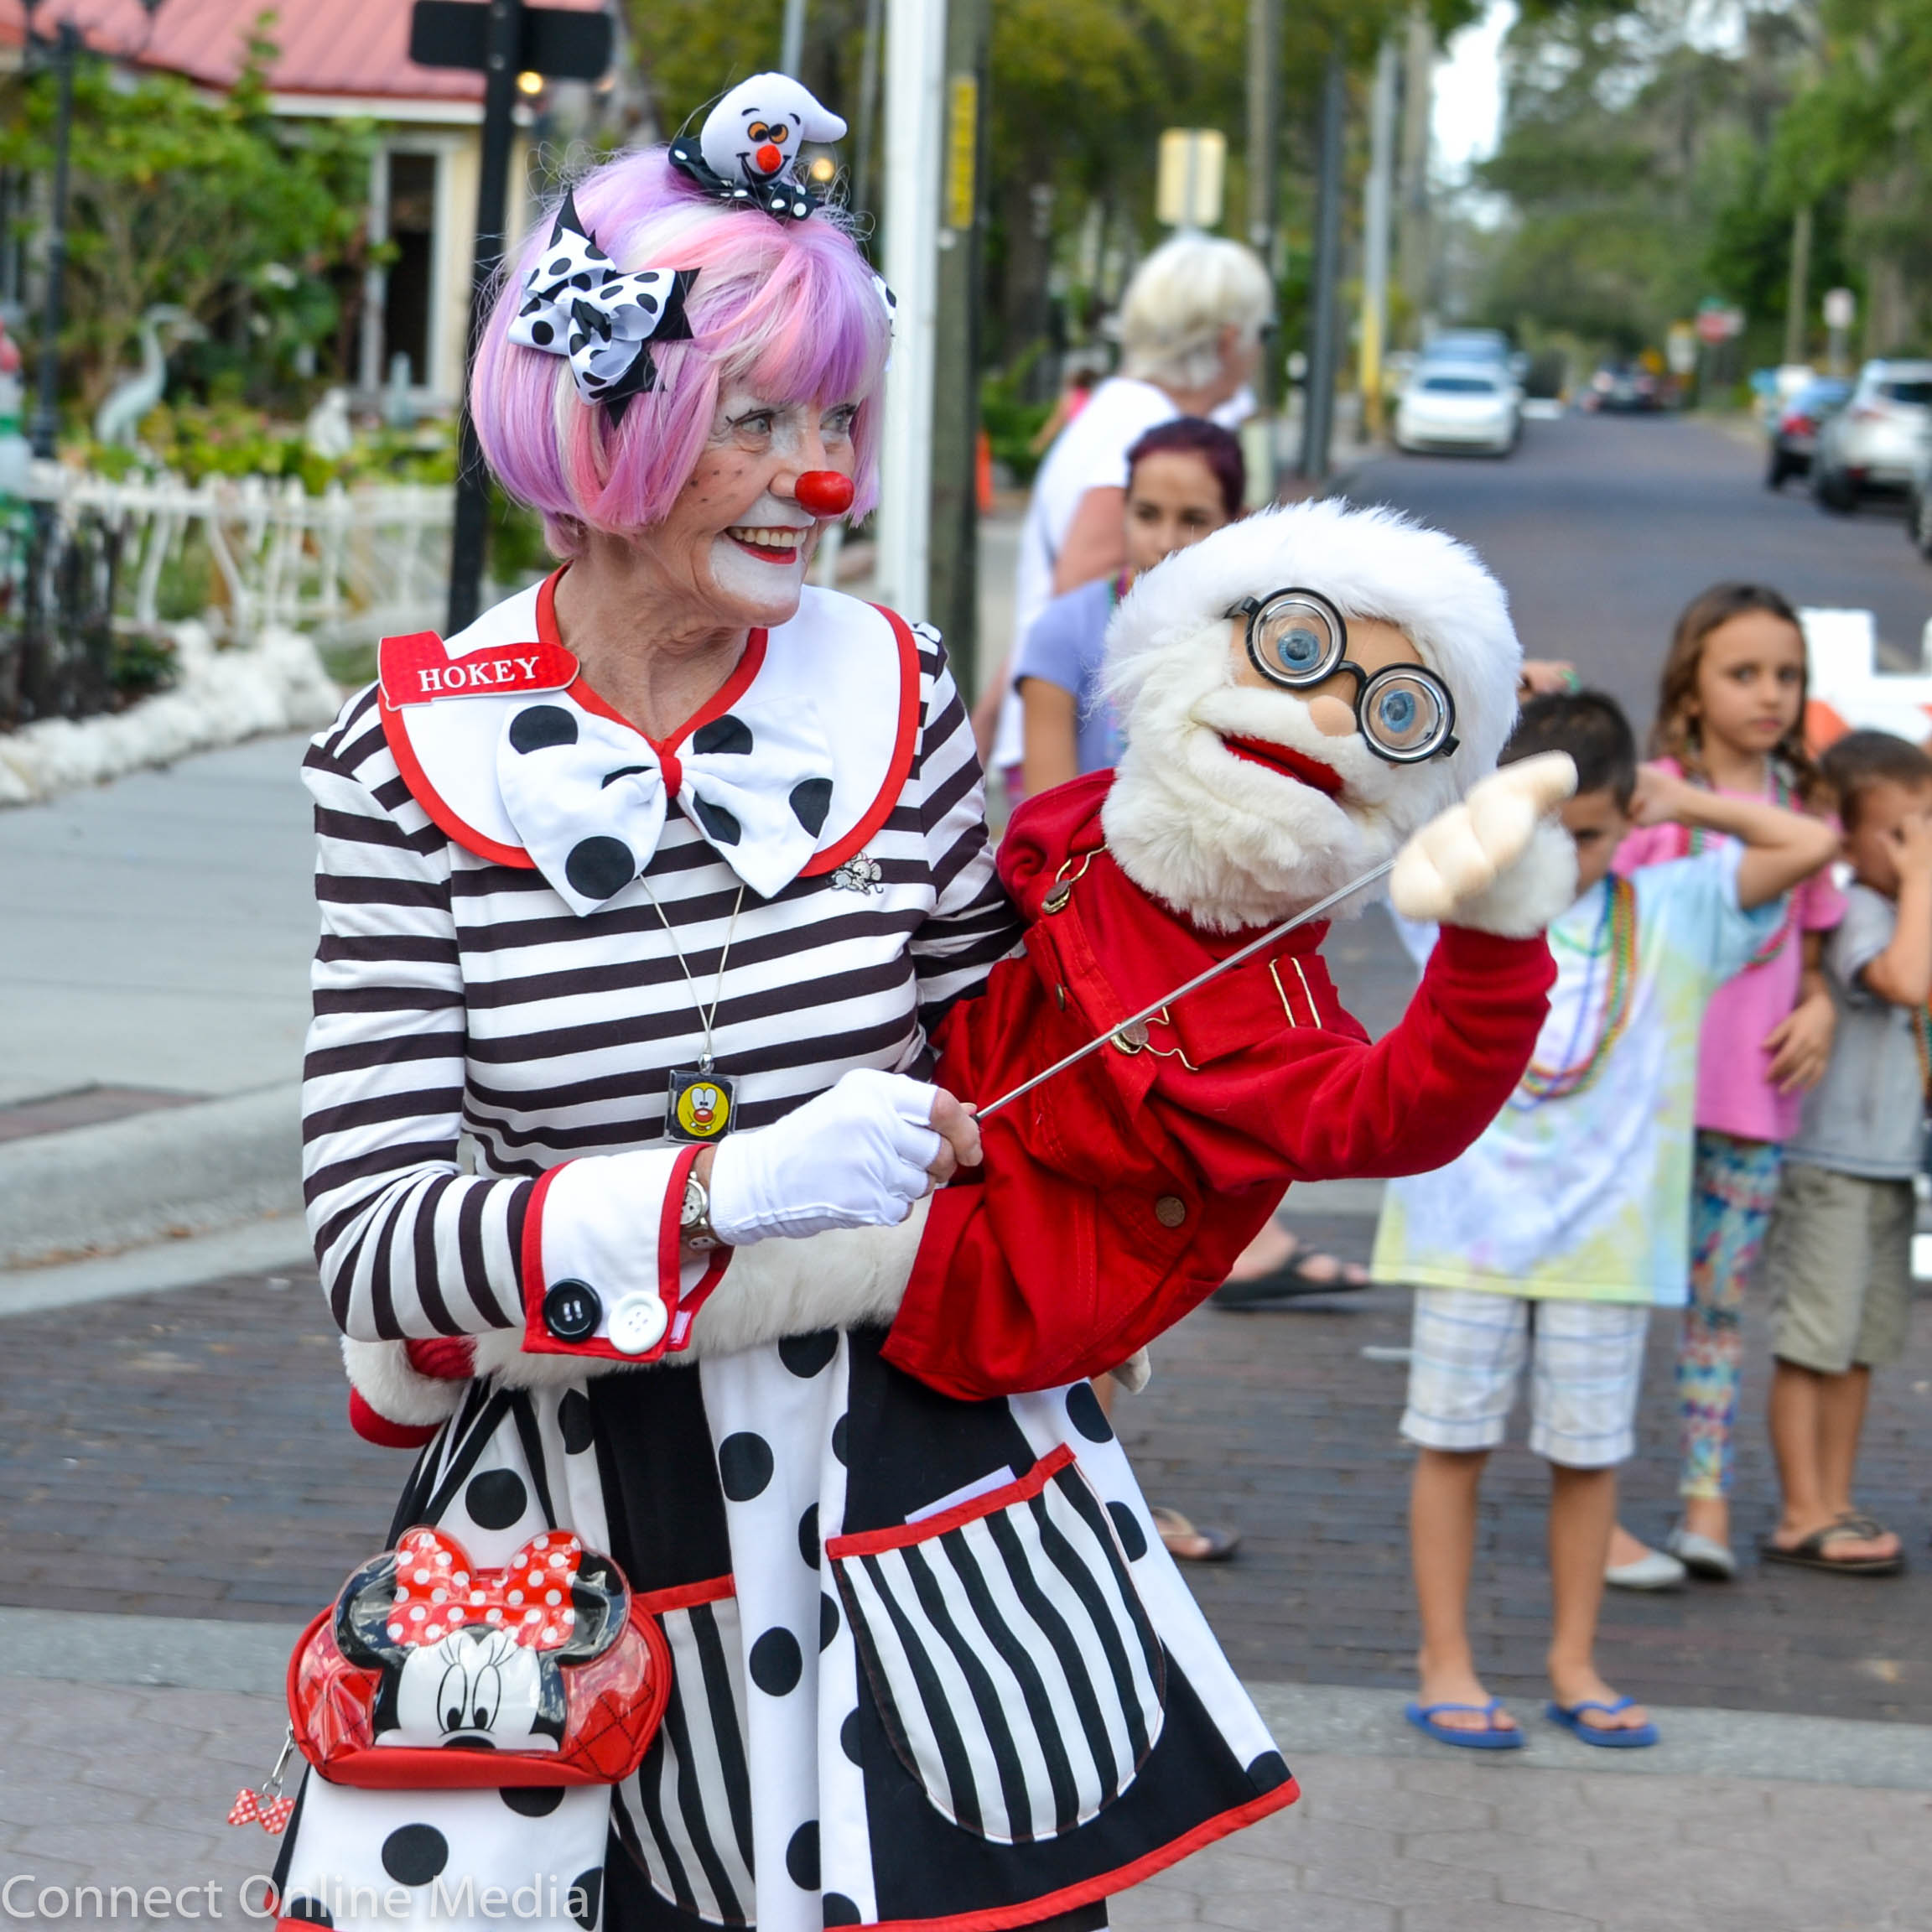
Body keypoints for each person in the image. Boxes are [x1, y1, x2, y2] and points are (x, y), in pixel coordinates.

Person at [276, 101, 1303, 1932]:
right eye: (756, 422)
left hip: (930, 1487)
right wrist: (728, 1191)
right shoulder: (406, 755)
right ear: (604, 423)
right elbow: (372, 1240)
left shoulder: (895, 688)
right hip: (585, 1532)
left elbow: (1013, 1072)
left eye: (837, 423)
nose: (820, 481)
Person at [1372, 693, 1838, 1748]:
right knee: (1451, 1445)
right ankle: (1445, 1660)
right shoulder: (1457, 899)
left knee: (1589, 1459)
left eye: (1586, 835)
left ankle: (1574, 1661)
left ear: (1629, 818)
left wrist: (1683, 800)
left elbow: (1810, 844)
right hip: (1467, 1235)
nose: (1564, 859)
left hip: (1608, 1249)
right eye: (1541, 833)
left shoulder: (1677, 905)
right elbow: (1397, 806)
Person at [1604, 584, 1845, 1588]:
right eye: (1744, 673)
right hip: (1645, 1107)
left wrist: (1821, 1004)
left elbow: (1815, 951)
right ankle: (1596, 1503)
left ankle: (1707, 1499)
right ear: (1692, 688)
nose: (1770, 694)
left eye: (1787, 675)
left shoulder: (1809, 810)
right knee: (1617, 1303)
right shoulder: (1646, 799)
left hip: (1752, 1102)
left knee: (1717, 1308)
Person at [972, 232, 1273, 772]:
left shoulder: (1118, 410)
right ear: (1230, 340)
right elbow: (1079, 591)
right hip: (1085, 744)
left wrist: (991, 719)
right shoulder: (1150, 431)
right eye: (1263, 333)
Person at [1758, 728, 1932, 1576]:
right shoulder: (1861, 910)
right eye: (1902, 831)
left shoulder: (1906, 913)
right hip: (1829, 1166)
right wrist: (1921, 878)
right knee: (1813, 1343)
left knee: (1861, 1348)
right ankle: (1802, 1509)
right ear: (1848, 840)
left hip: (1888, 1167)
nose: (1919, 848)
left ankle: (1835, 1495)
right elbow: (1903, 981)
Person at [1016, 416, 1244, 797]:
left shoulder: (1258, 638)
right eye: (1147, 515)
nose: (1166, 541)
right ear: (1123, 513)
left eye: (1194, 519)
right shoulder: (1064, 629)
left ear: (1238, 522)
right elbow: (1050, 811)